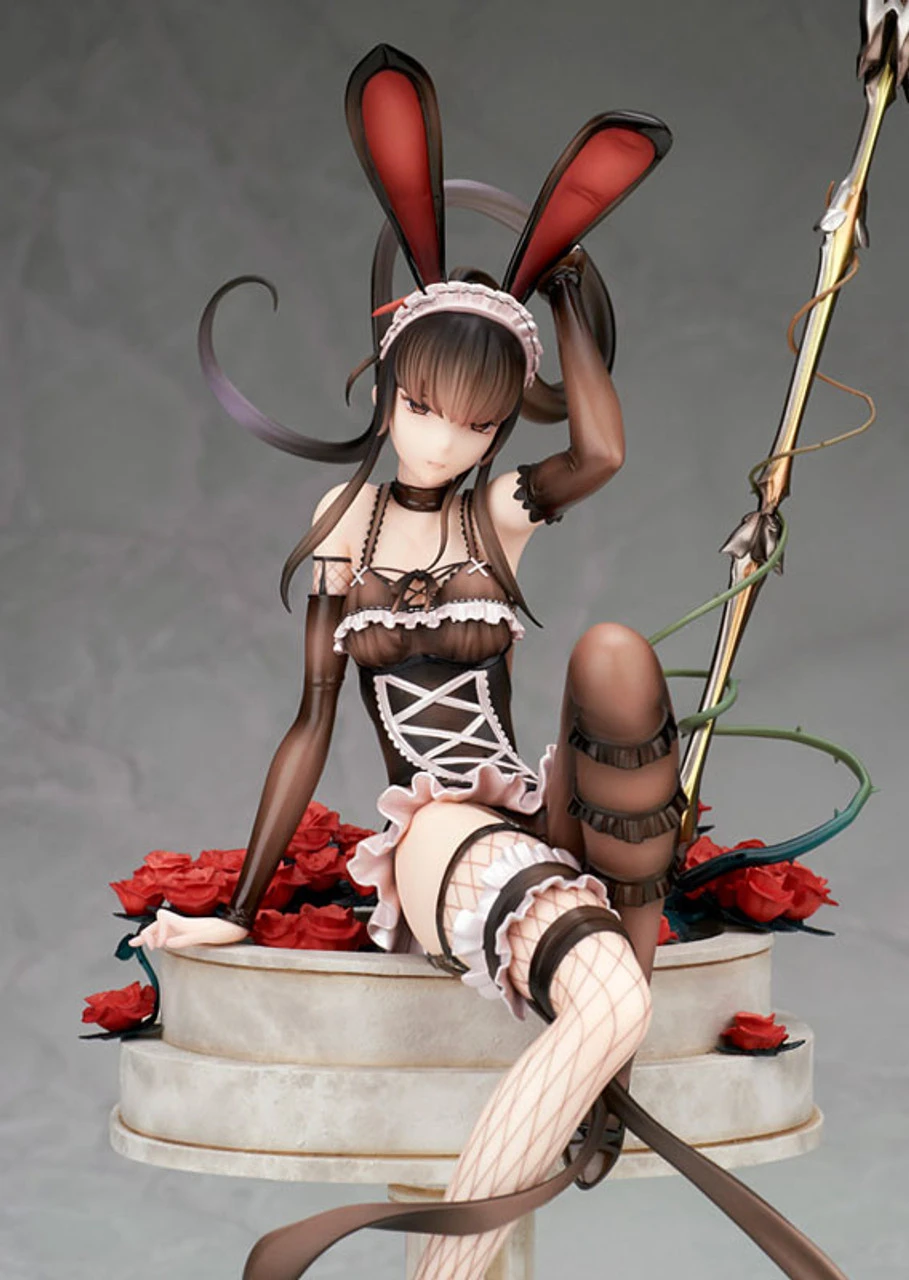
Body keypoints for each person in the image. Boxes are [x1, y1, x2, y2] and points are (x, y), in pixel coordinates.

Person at [133, 45, 847, 1280]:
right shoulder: (343, 530)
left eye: (477, 421)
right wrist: (235, 908)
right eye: (424, 407)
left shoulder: (495, 514)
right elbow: (310, 724)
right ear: (388, 384)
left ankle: (618, 974)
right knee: (607, 1005)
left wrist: (562, 299)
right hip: (434, 828)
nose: (443, 439)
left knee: (616, 654)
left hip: (533, 806)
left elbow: (603, 451)